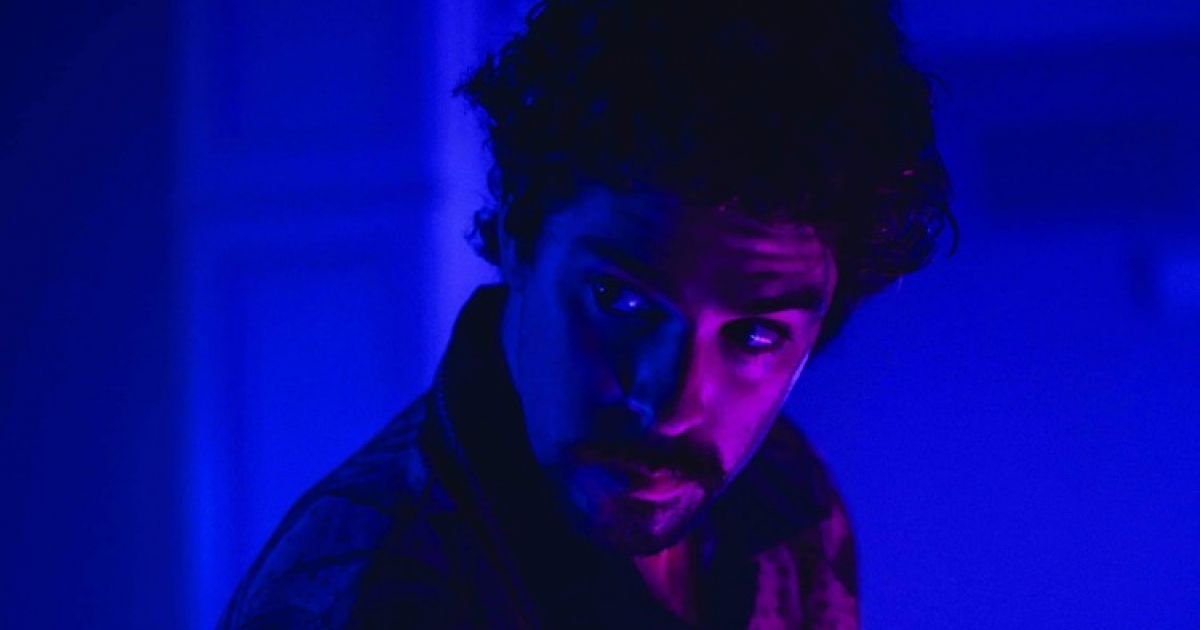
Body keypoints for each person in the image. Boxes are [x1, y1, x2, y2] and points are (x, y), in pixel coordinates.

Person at [217, 0, 953, 627]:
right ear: (518, 237)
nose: (672, 407)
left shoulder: (788, 497)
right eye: (621, 301)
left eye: (754, 335)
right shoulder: (375, 598)